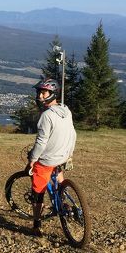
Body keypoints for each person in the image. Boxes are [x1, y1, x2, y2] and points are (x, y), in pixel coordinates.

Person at [27, 78, 76, 237]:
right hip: (63, 156)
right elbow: (73, 133)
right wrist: (70, 153)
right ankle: (64, 201)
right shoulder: (66, 110)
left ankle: (36, 225)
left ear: (51, 94)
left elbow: (41, 142)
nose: (40, 96)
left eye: (43, 92)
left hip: (48, 160)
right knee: (59, 182)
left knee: (38, 191)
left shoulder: (46, 116)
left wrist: (32, 160)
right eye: (39, 92)